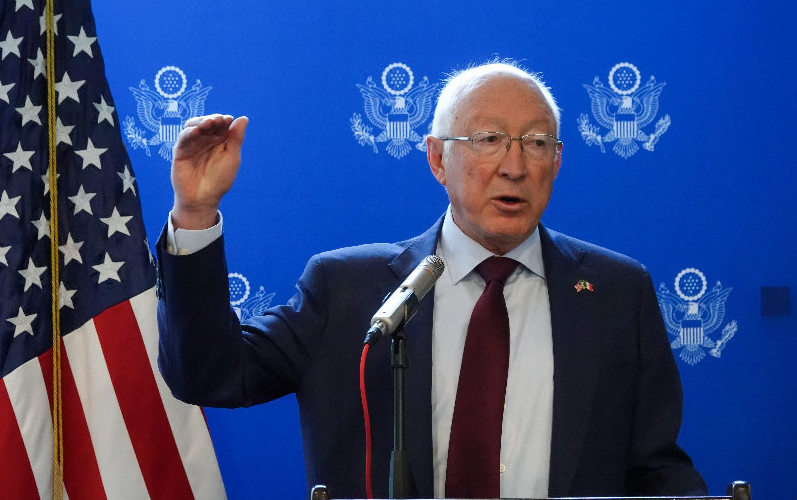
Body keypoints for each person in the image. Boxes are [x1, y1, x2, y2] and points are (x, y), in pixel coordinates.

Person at [156, 62, 707, 498]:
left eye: (536, 143)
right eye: (489, 139)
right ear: (437, 160)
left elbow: (656, 468)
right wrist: (196, 212)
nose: (515, 166)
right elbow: (210, 376)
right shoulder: (347, 289)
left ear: (556, 161)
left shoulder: (616, 293)